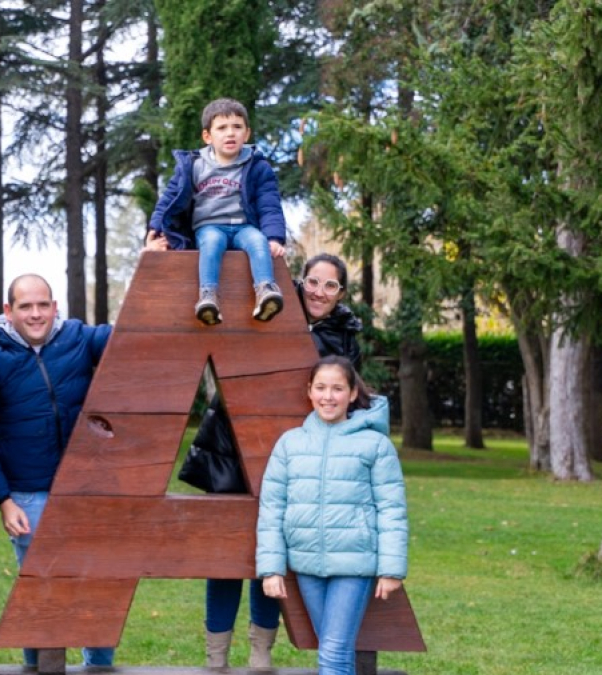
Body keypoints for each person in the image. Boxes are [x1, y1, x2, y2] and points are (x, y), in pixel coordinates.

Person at [174, 253, 363, 668]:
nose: (319, 292)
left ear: (341, 293)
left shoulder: (346, 338)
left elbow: (346, 401)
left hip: (293, 457)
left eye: (330, 286)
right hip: (230, 447)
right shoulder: (265, 306)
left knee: (271, 553)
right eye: (313, 281)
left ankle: (261, 653)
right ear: (300, 282)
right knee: (225, 555)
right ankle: (216, 657)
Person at [0, 274, 115, 668]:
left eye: (42, 305)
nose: (35, 314)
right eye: (25, 306)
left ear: (55, 307)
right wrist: (2, 500)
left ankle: (99, 666)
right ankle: (38, 668)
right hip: (27, 495)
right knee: (41, 591)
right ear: (8, 311)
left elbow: (135, 332)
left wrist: (154, 262)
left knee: (95, 586)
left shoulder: (79, 339)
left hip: (85, 491)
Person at [256, 356, 408, 675]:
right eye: (321, 387)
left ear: (352, 394)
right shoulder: (289, 444)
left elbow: (392, 509)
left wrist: (392, 568)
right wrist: (271, 569)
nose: (329, 396)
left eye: (337, 388)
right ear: (309, 391)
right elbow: (272, 508)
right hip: (307, 563)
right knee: (331, 648)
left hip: (354, 565)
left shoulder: (375, 445)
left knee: (334, 651)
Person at [147, 97, 287, 325]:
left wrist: (274, 237)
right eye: (222, 128)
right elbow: (169, 197)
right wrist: (155, 227)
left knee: (258, 242)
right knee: (211, 245)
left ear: (247, 133)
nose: (230, 133)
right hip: (209, 226)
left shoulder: (257, 167)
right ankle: (208, 296)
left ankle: (266, 291)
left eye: (237, 127)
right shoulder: (193, 165)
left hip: (244, 226)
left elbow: (269, 204)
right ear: (208, 136)